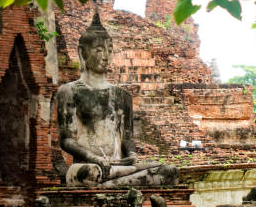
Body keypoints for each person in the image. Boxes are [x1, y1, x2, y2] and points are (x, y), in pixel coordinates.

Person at [57, 12, 177, 187]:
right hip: (88, 166)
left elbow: (127, 140)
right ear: (82, 53)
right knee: (90, 173)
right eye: (99, 50)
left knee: (169, 171)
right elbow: (66, 140)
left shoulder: (122, 95)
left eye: (110, 50)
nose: (106, 56)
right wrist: (94, 158)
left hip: (119, 166)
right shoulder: (69, 91)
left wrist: (132, 156)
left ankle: (113, 183)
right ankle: (119, 183)